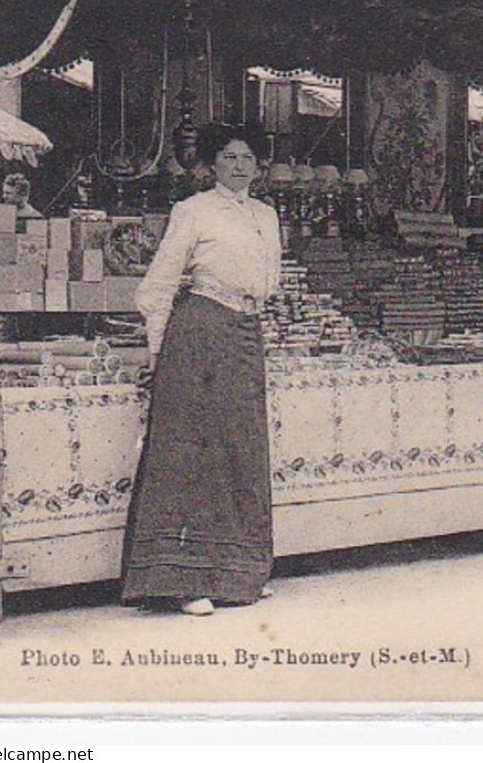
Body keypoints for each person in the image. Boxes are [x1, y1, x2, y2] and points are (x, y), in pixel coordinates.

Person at [122, 123, 281, 616]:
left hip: (245, 332)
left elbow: (264, 281)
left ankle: (240, 574)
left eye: (248, 157)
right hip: (199, 332)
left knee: (241, 447)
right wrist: (156, 352)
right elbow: (160, 282)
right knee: (194, 450)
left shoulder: (266, 215)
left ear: (258, 167)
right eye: (230, 157)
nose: (239, 165)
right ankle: (183, 581)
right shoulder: (192, 211)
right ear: (212, 165)